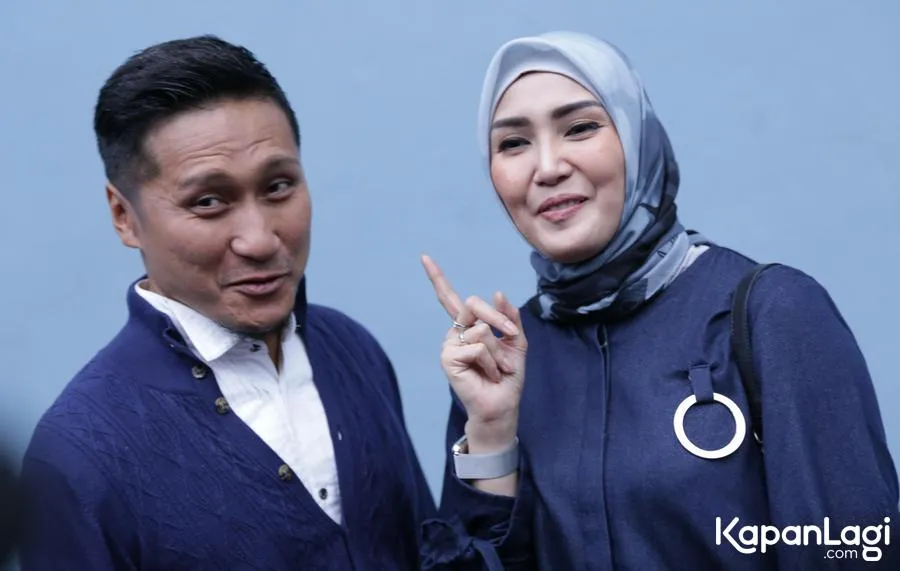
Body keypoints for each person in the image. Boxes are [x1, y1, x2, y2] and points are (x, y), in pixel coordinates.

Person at [418, 31, 900, 570]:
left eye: (580, 128)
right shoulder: (503, 360)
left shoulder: (772, 315)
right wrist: (490, 435)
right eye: (513, 143)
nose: (547, 167)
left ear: (636, 137)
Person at [18, 35, 435, 570]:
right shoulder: (78, 454)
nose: (259, 239)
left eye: (279, 186)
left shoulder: (351, 350)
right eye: (209, 201)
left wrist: (486, 444)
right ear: (124, 217)